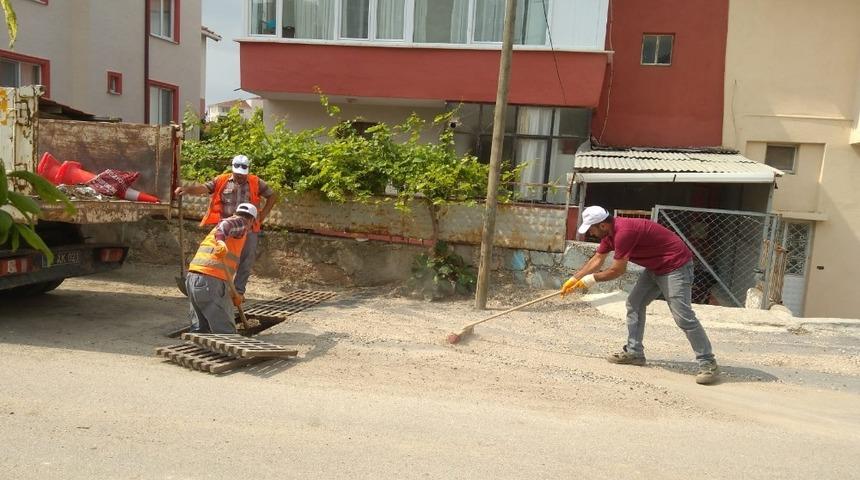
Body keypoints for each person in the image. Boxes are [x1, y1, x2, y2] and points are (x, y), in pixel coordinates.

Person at [561, 206, 720, 385]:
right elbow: (597, 259)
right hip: (655, 266)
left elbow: (617, 270)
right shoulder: (609, 235)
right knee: (634, 304)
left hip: (675, 266)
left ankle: (708, 362)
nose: (590, 231)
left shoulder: (624, 232)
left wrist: (590, 280)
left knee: (683, 316)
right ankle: (634, 352)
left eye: (592, 228)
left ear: (603, 225)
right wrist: (574, 279)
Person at [175, 154, 279, 299]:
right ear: (232, 169)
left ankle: (238, 292)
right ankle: (220, 287)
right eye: (237, 174)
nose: (240, 177)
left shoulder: (256, 182)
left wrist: (262, 215)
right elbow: (204, 188)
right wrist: (187, 190)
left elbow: (272, 195)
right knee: (220, 257)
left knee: (246, 261)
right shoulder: (222, 180)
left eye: (243, 174)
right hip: (226, 228)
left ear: (248, 170)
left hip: (248, 229)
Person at [185, 203, 258, 334]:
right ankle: (230, 354)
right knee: (226, 333)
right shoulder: (242, 222)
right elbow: (225, 225)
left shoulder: (234, 232)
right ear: (252, 220)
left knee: (200, 330)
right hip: (209, 281)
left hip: (193, 278)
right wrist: (221, 241)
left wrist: (234, 292)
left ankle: (202, 352)